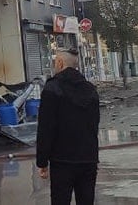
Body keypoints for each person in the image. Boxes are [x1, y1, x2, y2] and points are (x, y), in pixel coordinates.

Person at [36, 48, 100, 205]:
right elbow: (95, 123)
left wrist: (42, 161)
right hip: (88, 159)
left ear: (59, 63)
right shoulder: (90, 89)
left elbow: (46, 128)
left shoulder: (52, 88)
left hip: (62, 160)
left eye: (55, 62)